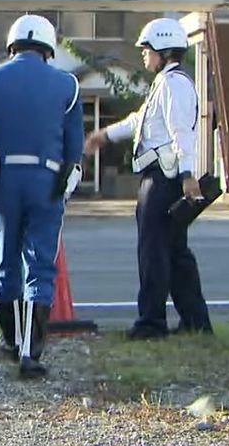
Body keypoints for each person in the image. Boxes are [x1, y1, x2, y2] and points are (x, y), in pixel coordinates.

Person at [0, 14, 84, 379]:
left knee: (7, 263)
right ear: (48, 48)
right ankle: (31, 352)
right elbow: (74, 147)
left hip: (4, 181)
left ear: (12, 46)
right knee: (41, 266)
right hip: (46, 180)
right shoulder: (67, 85)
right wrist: (66, 184)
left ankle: (11, 340)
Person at [84, 17, 214, 340]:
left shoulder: (174, 85)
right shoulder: (165, 84)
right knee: (175, 252)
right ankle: (196, 323)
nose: (144, 55)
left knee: (153, 250)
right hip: (165, 177)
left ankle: (151, 322)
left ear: (163, 49)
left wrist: (187, 174)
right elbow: (138, 121)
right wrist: (105, 135)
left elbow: (181, 132)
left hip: (164, 179)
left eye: (147, 49)